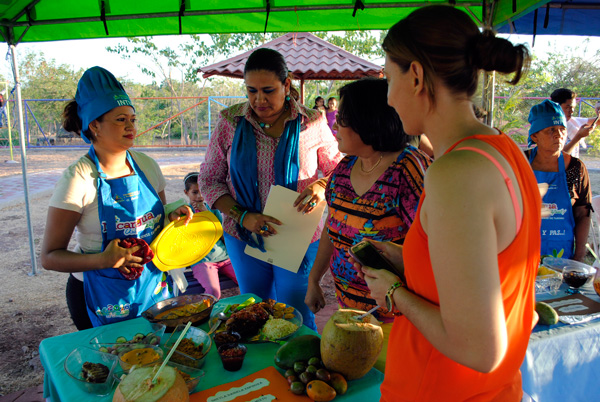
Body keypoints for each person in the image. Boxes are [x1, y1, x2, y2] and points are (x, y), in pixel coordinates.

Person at [357, 6, 541, 401]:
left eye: (389, 79)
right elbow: (486, 279)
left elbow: (480, 350)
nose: (388, 98)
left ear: (417, 76)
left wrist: (394, 294)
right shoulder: (504, 152)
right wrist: (409, 261)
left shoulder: (455, 173)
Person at [198, 48, 343, 331]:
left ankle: (298, 372)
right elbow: (209, 179)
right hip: (244, 235)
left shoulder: (312, 122)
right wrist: (243, 216)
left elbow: (340, 169)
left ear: (286, 85)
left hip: (298, 235)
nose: (259, 99)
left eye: (268, 90)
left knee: (295, 312)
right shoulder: (230, 121)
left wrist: (321, 185)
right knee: (254, 310)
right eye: (251, 91)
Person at [40, 66, 192, 329]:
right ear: (94, 125)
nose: (131, 126)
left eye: (132, 119)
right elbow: (50, 256)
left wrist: (173, 216)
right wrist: (104, 260)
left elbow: (159, 218)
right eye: (120, 120)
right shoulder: (78, 178)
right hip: (99, 294)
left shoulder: (147, 165)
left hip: (153, 288)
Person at [304, 78, 431, 372]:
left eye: (343, 120)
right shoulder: (344, 168)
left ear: (369, 121)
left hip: (394, 314)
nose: (335, 125)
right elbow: (332, 230)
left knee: (388, 384)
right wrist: (314, 280)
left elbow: (429, 245)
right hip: (348, 309)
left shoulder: (407, 167)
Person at [525, 100, 592, 261]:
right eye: (551, 130)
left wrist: (580, 254)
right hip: (523, 251)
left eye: (562, 129)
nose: (559, 135)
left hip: (562, 254)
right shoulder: (520, 163)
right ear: (535, 136)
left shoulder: (576, 168)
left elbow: (583, 213)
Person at [183, 172, 238, 299]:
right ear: (186, 193)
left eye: (202, 191)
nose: (200, 196)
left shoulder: (212, 209)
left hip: (224, 257)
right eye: (195, 192)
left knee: (246, 280)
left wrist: (206, 212)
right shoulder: (184, 213)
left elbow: (221, 232)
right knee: (213, 293)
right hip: (203, 261)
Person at [550, 88, 600, 158]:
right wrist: (579, 136)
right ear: (555, 107)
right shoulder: (548, 128)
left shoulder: (573, 121)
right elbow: (559, 157)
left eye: (573, 107)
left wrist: (598, 111)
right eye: (568, 107)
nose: (572, 111)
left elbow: (598, 121)